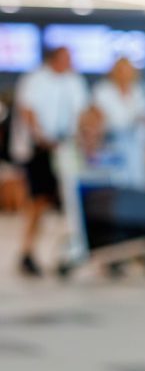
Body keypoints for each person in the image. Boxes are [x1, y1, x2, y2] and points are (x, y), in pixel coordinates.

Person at [9, 46, 89, 276]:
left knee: (74, 201)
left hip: (68, 150)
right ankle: (28, 251)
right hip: (40, 151)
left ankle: (74, 249)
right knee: (39, 201)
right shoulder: (35, 80)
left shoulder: (74, 82)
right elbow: (28, 111)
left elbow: (82, 113)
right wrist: (41, 137)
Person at [92, 57, 145, 189]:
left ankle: (137, 194)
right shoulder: (103, 90)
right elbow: (100, 119)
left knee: (137, 169)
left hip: (136, 142)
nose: (124, 74)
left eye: (128, 70)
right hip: (111, 140)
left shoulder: (140, 90)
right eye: (121, 70)